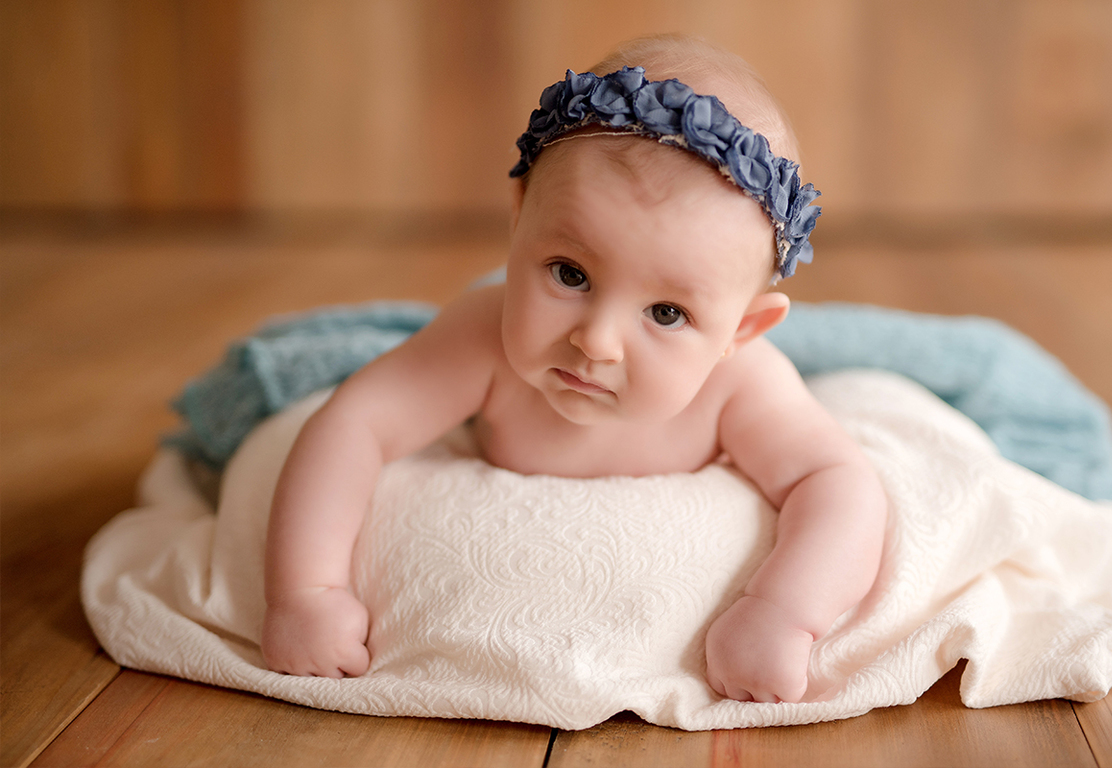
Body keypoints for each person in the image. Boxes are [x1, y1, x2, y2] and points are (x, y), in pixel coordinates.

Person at [261, 35, 887, 704]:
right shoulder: (480, 338)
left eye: (667, 313)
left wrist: (783, 612)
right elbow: (355, 423)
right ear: (519, 217)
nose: (598, 342)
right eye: (571, 273)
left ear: (742, 330)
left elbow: (837, 482)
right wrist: (308, 591)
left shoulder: (743, 384)